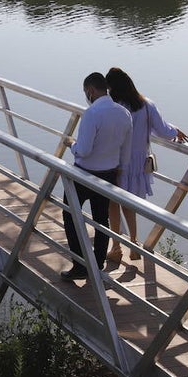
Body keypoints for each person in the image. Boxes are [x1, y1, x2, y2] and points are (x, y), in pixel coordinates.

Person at [104, 67, 188, 263]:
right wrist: (176, 131)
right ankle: (134, 244)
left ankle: (116, 247)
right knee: (130, 206)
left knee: (113, 205)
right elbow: (163, 130)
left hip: (116, 162)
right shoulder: (146, 105)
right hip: (138, 164)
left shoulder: (115, 107)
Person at [61, 72, 133, 282]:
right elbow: (126, 153)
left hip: (84, 174)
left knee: (70, 215)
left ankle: (80, 264)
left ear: (91, 91)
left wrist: (70, 144)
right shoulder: (123, 113)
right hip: (108, 175)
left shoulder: (92, 113)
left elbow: (83, 150)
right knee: (102, 220)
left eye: (86, 92)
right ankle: (98, 262)